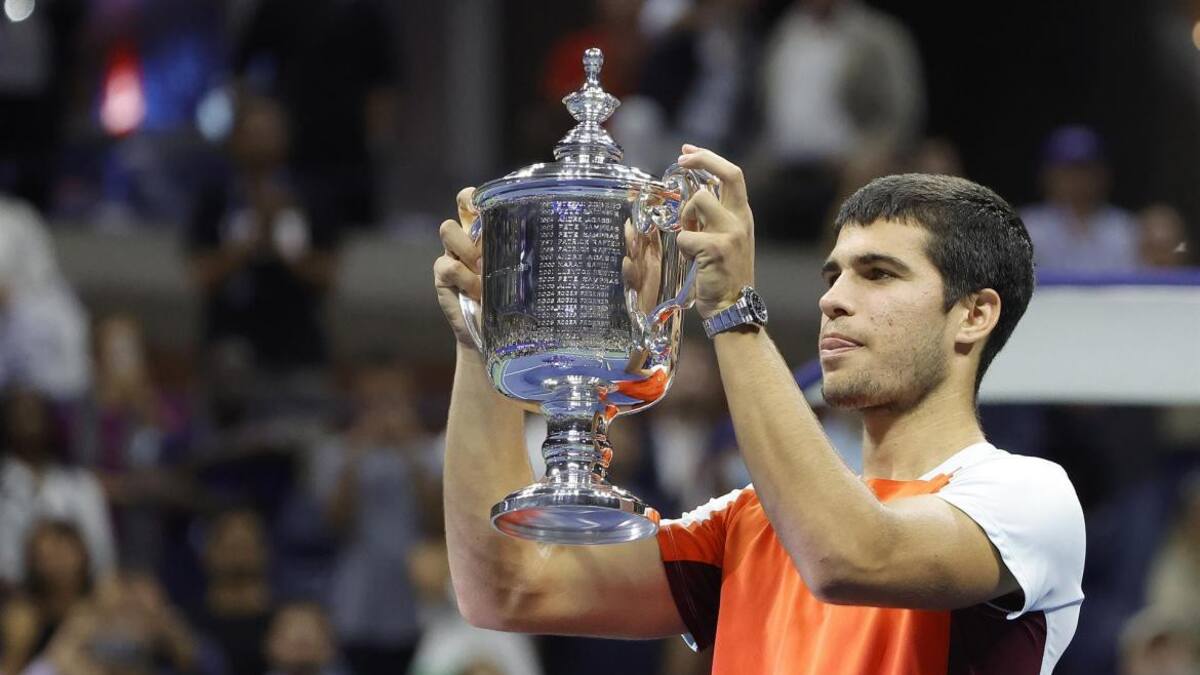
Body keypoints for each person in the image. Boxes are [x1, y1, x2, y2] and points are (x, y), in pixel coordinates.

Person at [433, 146, 1086, 672]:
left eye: (878, 273)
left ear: (974, 314)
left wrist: (731, 308)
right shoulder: (750, 521)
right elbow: (508, 586)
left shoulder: (1029, 497)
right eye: (833, 275)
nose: (835, 299)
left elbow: (848, 555)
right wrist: (481, 341)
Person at [1020, 125, 1140, 274]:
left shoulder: (1126, 229)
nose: (1077, 180)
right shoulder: (1027, 227)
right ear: (1048, 175)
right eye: (1067, 171)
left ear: (1102, 174)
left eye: (1085, 170)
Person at [0, 521, 93, 675]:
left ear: (82, 554)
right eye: (49, 557)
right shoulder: (23, 615)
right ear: (34, 562)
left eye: (64, 554)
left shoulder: (101, 601)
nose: (59, 564)